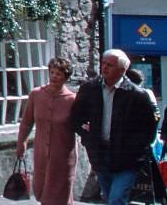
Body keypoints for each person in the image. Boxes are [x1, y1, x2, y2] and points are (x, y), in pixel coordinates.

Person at [72, 48, 160, 205]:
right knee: (110, 198)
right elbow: (75, 117)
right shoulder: (90, 89)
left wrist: (136, 149)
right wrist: (87, 138)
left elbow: (149, 128)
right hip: (100, 154)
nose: (104, 67)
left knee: (116, 200)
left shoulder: (136, 95)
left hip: (127, 158)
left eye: (110, 65)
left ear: (122, 70)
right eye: (103, 63)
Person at [16, 57, 77, 204]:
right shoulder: (36, 95)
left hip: (63, 155)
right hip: (41, 153)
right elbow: (26, 123)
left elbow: (82, 125)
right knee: (41, 191)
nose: (54, 76)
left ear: (66, 77)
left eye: (59, 74)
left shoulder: (73, 99)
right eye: (52, 72)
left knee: (58, 195)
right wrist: (21, 142)